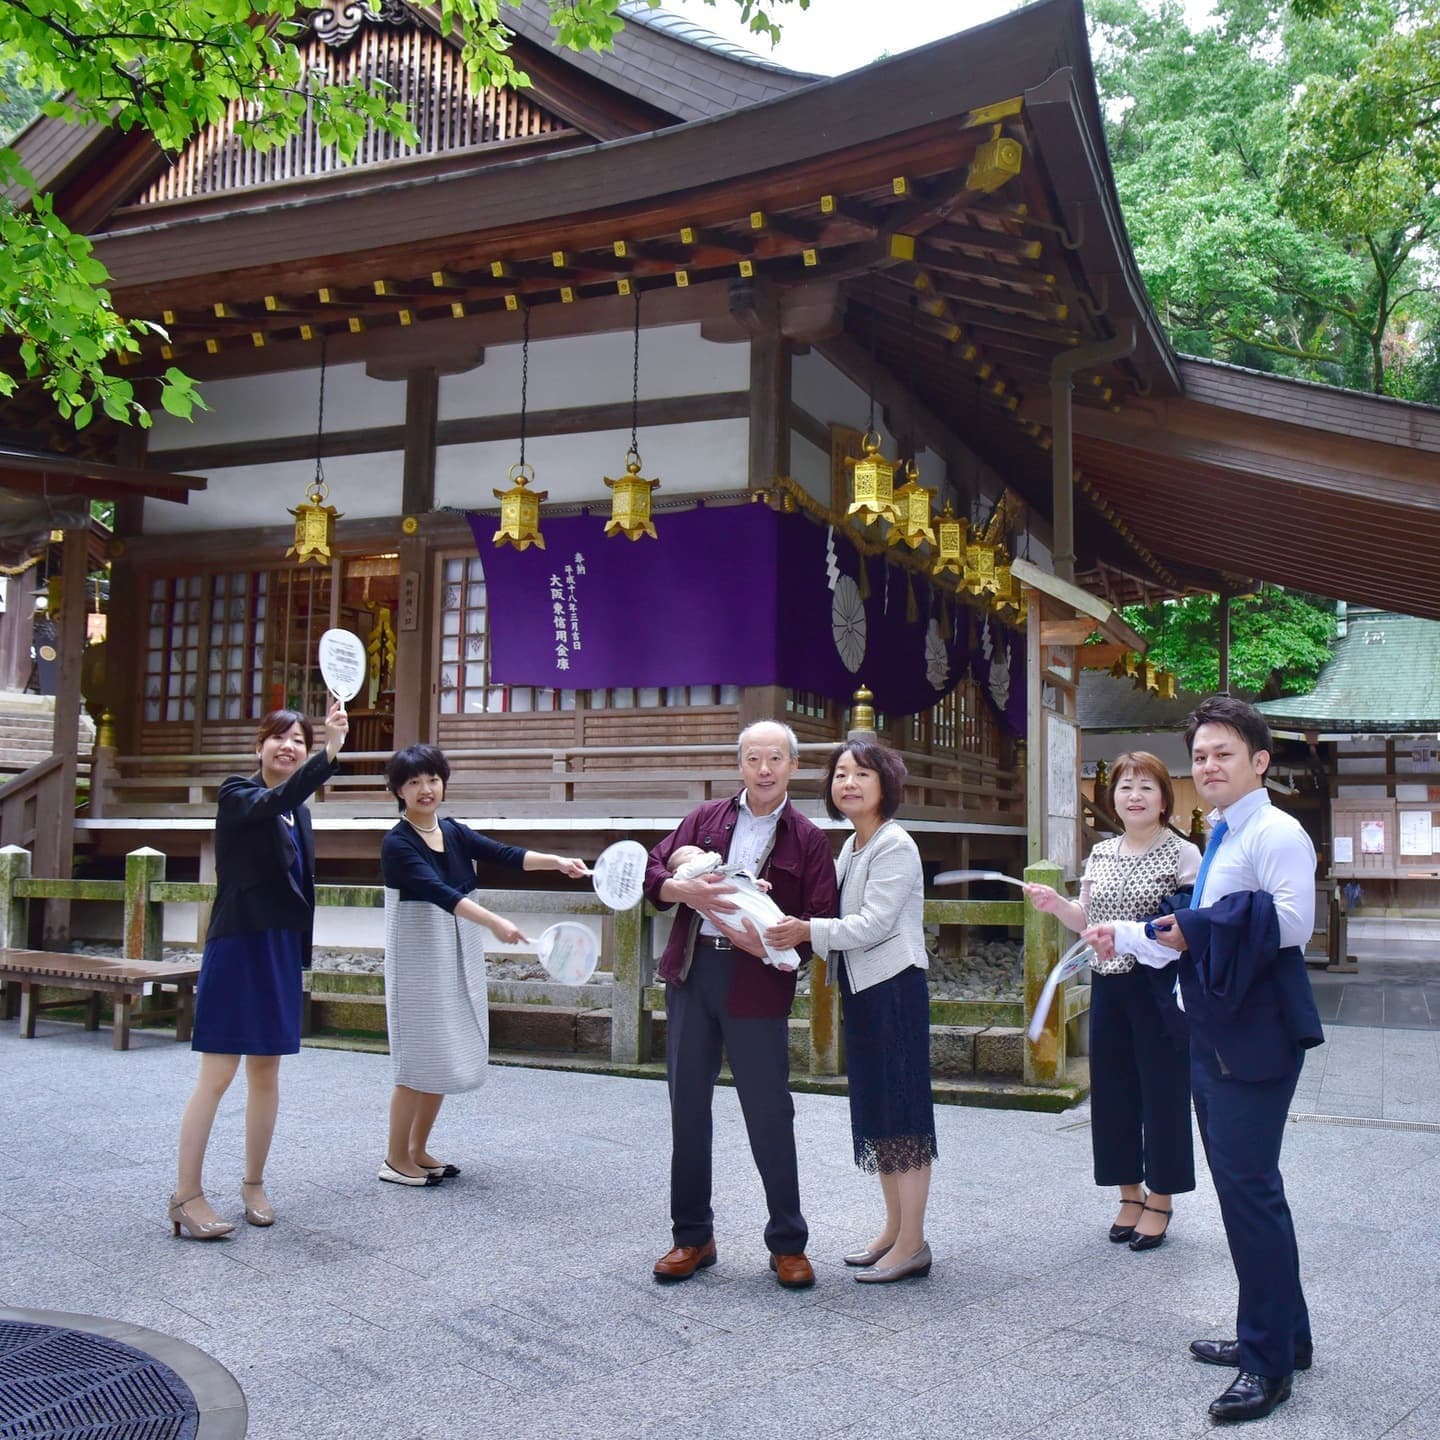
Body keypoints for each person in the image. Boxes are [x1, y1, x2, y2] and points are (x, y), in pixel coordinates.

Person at [1085, 696, 1323, 1424]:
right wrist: (1124, 937)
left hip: (1254, 1035)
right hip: (1216, 1030)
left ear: (1259, 761)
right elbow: (1192, 936)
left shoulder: (1277, 831)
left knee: (1250, 1194)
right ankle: (1284, 1335)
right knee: (1246, 1194)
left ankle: (1267, 1364)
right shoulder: (1223, 831)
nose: (1210, 765)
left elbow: (1290, 924)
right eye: (1202, 754)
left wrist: (1189, 922)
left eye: (1225, 753)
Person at [644, 720, 837, 1289]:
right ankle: (692, 1236)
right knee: (688, 1108)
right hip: (694, 971)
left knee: (769, 1111)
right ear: (741, 765)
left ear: (793, 766)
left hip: (757, 977)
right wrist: (685, 889)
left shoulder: (808, 838)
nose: (764, 769)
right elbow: (655, 870)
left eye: (775, 758)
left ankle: (787, 1242)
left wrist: (780, 938)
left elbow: (821, 918)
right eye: (753, 758)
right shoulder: (704, 819)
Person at [171, 700, 349, 1239]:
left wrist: (300, 951)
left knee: (267, 1071)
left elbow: (303, 884)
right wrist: (330, 754)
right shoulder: (237, 793)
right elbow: (274, 800)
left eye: (299, 739)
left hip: (277, 947)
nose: (289, 746)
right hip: (239, 942)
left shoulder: (302, 812)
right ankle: (186, 1195)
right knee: (218, 1074)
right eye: (280, 737)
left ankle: (254, 1184)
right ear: (259, 746)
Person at [379, 744, 588, 1185]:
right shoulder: (397, 843)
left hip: (457, 945)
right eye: (414, 782)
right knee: (417, 1058)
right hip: (419, 952)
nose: (425, 789)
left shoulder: (453, 830)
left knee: (443, 1049)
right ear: (398, 790)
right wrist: (496, 922)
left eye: (432, 779)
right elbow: (440, 893)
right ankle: (395, 1157)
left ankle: (418, 1148)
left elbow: (505, 853)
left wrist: (557, 862)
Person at [768, 740, 935, 1284]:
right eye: (841, 774)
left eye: (863, 773)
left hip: (894, 988)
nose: (849, 784)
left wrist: (806, 930)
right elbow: (832, 909)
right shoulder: (854, 845)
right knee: (879, 1114)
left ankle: (913, 1243)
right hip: (864, 989)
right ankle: (893, 1229)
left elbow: (873, 924)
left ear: (886, 783)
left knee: (904, 1115)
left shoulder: (894, 845)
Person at [1024, 751, 1200, 1252]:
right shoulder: (1100, 854)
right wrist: (1058, 905)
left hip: (1158, 988)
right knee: (1114, 1091)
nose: (1135, 796)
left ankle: (1162, 1196)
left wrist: (1125, 935)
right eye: (1125, 787)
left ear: (1165, 798)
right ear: (1113, 798)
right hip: (1109, 985)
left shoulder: (1185, 855)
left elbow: (1181, 928)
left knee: (1163, 1093)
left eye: (1146, 787)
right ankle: (1129, 1191)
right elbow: (1085, 918)